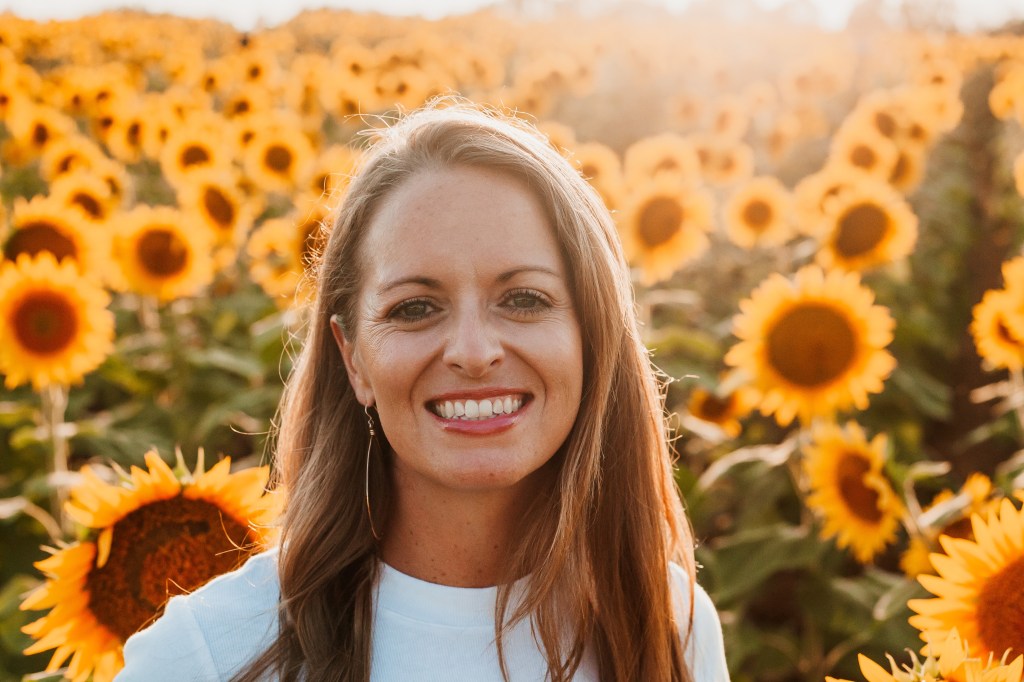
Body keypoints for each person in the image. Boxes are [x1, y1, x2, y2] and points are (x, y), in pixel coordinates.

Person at [116, 99, 730, 682]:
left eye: (523, 300)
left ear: (592, 336)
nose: (472, 351)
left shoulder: (668, 624)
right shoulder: (209, 656)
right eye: (414, 308)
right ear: (352, 358)